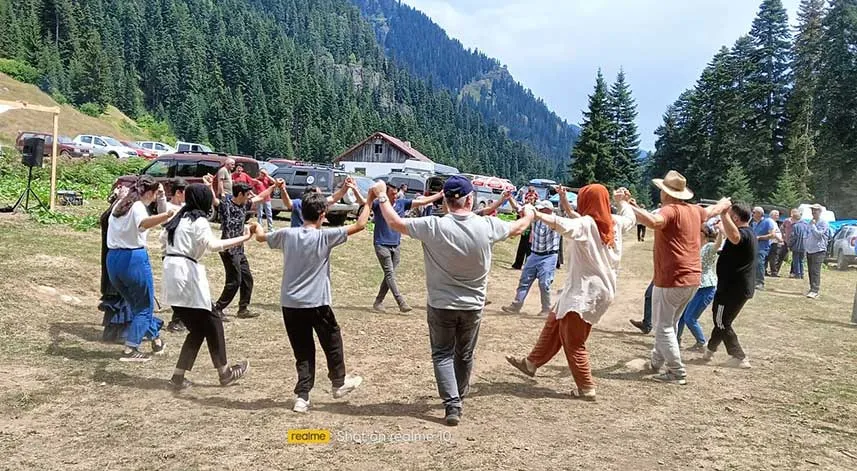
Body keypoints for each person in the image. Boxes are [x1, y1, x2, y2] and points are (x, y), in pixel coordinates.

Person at [371, 176, 534, 426]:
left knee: (442, 354)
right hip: (473, 306)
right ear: (470, 199)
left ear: (445, 201)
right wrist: (529, 213)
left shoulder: (433, 226)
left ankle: (452, 404)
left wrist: (382, 195)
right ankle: (459, 395)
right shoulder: (487, 226)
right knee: (465, 354)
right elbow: (519, 227)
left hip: (441, 305)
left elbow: (394, 223)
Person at [504, 185, 636, 401]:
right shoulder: (615, 222)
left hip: (585, 293)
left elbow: (560, 223)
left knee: (573, 341)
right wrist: (623, 201)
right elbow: (630, 216)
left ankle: (587, 388)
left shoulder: (586, 224)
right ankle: (531, 363)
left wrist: (536, 213)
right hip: (596, 291)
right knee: (554, 320)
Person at [254, 188, 372, 413]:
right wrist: (370, 201)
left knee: (303, 350)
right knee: (332, 340)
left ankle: (302, 397)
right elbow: (359, 225)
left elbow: (261, 237)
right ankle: (338, 382)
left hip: (290, 303)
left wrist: (255, 227)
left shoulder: (287, 234)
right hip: (317, 302)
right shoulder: (324, 236)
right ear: (321, 214)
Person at [631, 170, 731, 385]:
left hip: (672, 277)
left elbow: (655, 222)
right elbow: (714, 210)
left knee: (663, 326)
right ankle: (656, 362)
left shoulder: (670, 210)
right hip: (692, 278)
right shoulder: (694, 210)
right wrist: (725, 203)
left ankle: (677, 372)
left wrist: (629, 207)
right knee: (670, 323)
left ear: (666, 193)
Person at [161, 183, 253, 389]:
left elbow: (162, 241)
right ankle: (225, 373)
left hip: (171, 271)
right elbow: (213, 245)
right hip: (186, 273)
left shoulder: (178, 218)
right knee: (212, 320)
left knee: (198, 329)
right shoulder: (199, 220)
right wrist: (244, 238)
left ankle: (178, 376)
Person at [106, 176, 175, 362]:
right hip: (133, 259)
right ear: (150, 192)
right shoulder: (137, 207)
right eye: (156, 194)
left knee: (136, 306)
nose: (155, 198)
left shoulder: (121, 203)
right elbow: (143, 224)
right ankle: (131, 349)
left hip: (113, 260)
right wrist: (166, 215)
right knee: (145, 307)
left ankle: (156, 340)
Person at [211, 179, 281, 320]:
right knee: (234, 281)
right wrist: (208, 185)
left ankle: (243, 308)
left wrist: (274, 186)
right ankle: (217, 308)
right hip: (228, 249)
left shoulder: (244, 204)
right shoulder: (226, 205)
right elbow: (213, 200)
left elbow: (261, 196)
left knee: (247, 278)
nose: (250, 196)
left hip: (239, 249)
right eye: (248, 194)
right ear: (240, 194)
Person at [370, 180, 443, 314]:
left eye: (396, 193)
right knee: (390, 274)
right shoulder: (378, 204)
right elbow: (363, 202)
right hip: (381, 244)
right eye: (392, 194)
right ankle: (401, 302)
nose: (395, 196)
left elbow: (422, 202)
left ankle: (378, 302)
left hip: (396, 244)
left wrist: (439, 195)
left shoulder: (402, 204)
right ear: (385, 194)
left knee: (389, 275)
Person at [701, 203, 757, 369]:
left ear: (735, 218)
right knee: (723, 320)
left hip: (731, 288)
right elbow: (731, 235)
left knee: (721, 321)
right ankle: (710, 350)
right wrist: (722, 226)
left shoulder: (742, 235)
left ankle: (739, 356)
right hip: (739, 288)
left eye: (728, 216)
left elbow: (734, 236)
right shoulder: (749, 233)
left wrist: (723, 213)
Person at [501, 200, 562, 316]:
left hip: (549, 256)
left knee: (545, 284)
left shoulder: (556, 221)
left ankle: (546, 309)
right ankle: (516, 306)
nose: (538, 210)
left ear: (547, 210)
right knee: (524, 281)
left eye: (540, 209)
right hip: (534, 254)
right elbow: (519, 208)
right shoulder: (535, 217)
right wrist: (509, 198)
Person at [99, 186, 140, 344]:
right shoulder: (117, 213)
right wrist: (118, 199)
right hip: (120, 259)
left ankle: (115, 331)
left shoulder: (125, 212)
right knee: (123, 295)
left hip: (113, 258)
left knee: (120, 295)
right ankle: (122, 332)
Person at [676, 224, 724, 352]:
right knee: (681, 316)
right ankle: (676, 340)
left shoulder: (708, 247)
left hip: (706, 288)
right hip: (693, 286)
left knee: (690, 318)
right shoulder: (696, 246)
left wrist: (721, 233)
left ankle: (702, 343)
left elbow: (717, 246)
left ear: (704, 234)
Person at [156, 178, 189, 333]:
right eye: (185, 193)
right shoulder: (169, 207)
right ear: (178, 192)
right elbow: (163, 214)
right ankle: (176, 321)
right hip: (170, 253)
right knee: (176, 289)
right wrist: (161, 195)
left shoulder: (185, 207)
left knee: (183, 288)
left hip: (184, 253)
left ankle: (181, 319)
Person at [279, 182, 353, 228]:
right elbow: (287, 202)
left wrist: (345, 187)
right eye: (319, 193)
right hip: (299, 238)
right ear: (313, 195)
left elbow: (334, 198)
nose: (321, 195)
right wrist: (283, 189)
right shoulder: (298, 203)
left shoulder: (318, 203)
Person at [804, 204, 829, 299]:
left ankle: (815, 290)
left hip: (819, 250)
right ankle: (811, 288)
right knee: (810, 270)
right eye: (812, 210)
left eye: (815, 210)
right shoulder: (810, 222)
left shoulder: (823, 223)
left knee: (815, 271)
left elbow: (819, 235)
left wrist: (814, 225)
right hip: (810, 250)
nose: (813, 212)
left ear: (820, 211)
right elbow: (807, 234)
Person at [511, 188, 539, 269]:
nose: (530, 199)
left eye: (532, 198)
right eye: (529, 198)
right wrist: (510, 198)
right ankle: (518, 264)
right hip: (525, 230)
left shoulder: (537, 208)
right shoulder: (524, 206)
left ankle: (528, 265)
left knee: (529, 248)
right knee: (522, 247)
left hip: (533, 231)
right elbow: (516, 207)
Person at [751, 207, 776, 291]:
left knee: (759, 264)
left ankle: (760, 283)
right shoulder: (754, 223)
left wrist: (759, 238)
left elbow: (772, 235)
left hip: (762, 248)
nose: (752, 214)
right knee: (753, 265)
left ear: (759, 213)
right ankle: (753, 282)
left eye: (754, 212)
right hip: (754, 247)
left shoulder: (767, 221)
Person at [774, 209, 800, 278]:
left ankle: (793, 272)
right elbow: (782, 228)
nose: (793, 214)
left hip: (794, 242)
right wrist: (783, 235)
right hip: (786, 241)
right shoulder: (787, 221)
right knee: (780, 256)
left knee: (794, 258)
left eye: (795, 213)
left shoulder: (798, 222)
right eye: (792, 213)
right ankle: (775, 271)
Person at [789, 214, 809, 280]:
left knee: (796, 261)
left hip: (796, 246)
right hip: (804, 246)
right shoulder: (807, 225)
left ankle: (797, 274)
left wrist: (790, 244)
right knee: (801, 261)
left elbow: (793, 237)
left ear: (794, 218)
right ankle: (802, 274)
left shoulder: (795, 226)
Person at [766, 210, 783, 277]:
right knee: (773, 257)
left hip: (774, 242)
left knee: (771, 257)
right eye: (777, 215)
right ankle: (774, 272)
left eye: (778, 215)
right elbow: (772, 233)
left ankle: (770, 271)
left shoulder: (773, 222)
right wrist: (779, 239)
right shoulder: (771, 222)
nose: (778, 216)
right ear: (772, 215)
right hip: (773, 242)